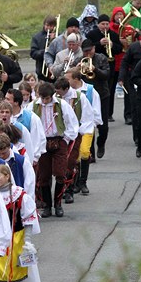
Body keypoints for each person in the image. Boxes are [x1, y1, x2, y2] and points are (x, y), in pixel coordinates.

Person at [25, 82, 79, 218]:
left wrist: (65, 140)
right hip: (42, 143)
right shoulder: (33, 106)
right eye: (42, 98)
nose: (44, 101)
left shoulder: (61, 105)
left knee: (61, 173)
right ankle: (47, 206)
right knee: (44, 176)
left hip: (58, 141)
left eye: (47, 98)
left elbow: (72, 123)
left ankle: (58, 204)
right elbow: (27, 124)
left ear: (52, 95)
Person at [54, 76, 96, 204]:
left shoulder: (80, 97)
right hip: (61, 136)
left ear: (66, 89)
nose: (57, 93)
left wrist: (78, 132)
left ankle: (69, 190)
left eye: (59, 91)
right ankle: (63, 189)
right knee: (61, 164)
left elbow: (88, 117)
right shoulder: (56, 99)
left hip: (76, 134)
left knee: (71, 162)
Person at [64, 68, 103, 195]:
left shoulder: (90, 91)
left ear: (75, 79)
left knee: (85, 152)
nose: (66, 81)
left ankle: (83, 182)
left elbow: (96, 109)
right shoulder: (66, 93)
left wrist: (94, 124)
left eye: (68, 79)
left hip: (86, 127)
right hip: (72, 130)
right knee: (74, 156)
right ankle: (74, 182)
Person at [119, 27, 141, 145]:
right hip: (134, 81)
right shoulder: (134, 47)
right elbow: (124, 62)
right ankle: (137, 136)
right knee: (136, 109)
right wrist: (121, 78)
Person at [86, 14, 123, 123]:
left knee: (109, 90)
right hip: (94, 66)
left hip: (109, 67)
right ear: (98, 25)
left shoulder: (113, 35)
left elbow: (120, 49)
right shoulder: (92, 34)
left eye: (107, 24)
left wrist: (112, 45)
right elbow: (87, 47)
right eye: (103, 24)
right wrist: (99, 44)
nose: (105, 26)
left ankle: (108, 113)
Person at [79, 39, 110, 160]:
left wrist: (95, 69)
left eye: (90, 51)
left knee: (103, 127)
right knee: (88, 125)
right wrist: (77, 69)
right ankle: (90, 153)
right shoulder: (80, 60)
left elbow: (106, 75)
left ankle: (101, 143)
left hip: (102, 94)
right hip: (87, 97)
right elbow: (73, 77)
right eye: (85, 52)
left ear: (94, 48)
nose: (88, 54)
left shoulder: (101, 58)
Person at [6, 88, 46, 166]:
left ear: (16, 102)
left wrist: (34, 158)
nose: (5, 101)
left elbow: (37, 138)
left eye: (8, 99)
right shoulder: (4, 116)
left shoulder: (31, 117)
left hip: (26, 158)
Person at [0, 132, 36, 199]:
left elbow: (29, 184)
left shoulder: (22, 161)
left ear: (9, 147)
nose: (1, 156)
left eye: (4, 153)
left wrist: (26, 200)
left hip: (18, 200)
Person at [109, 7, 131, 124]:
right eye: (117, 15)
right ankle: (109, 113)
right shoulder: (110, 28)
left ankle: (128, 115)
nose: (119, 17)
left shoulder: (128, 28)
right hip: (113, 61)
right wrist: (118, 40)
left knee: (127, 89)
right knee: (111, 89)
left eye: (121, 15)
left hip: (124, 62)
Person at [30, 15, 58, 82]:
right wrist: (45, 51)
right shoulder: (37, 37)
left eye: (51, 26)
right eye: (47, 25)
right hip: (42, 72)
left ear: (54, 27)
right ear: (44, 24)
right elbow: (33, 54)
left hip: (56, 71)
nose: (48, 28)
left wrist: (54, 40)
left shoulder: (58, 36)